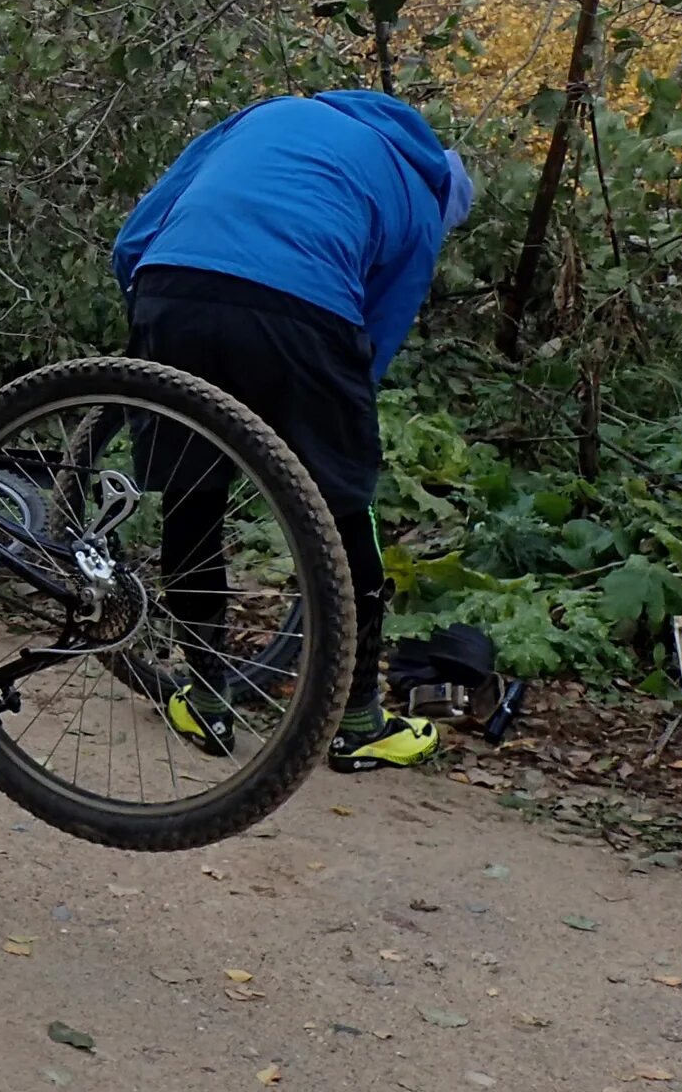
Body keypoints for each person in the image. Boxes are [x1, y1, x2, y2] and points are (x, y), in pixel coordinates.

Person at [111, 90, 474, 773]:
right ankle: (360, 720)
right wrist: (330, 440)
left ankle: (207, 699)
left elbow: (134, 237)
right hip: (305, 314)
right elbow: (377, 338)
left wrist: (158, 318)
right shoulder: (422, 202)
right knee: (347, 514)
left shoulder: (265, 115)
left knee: (193, 498)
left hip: (171, 287)